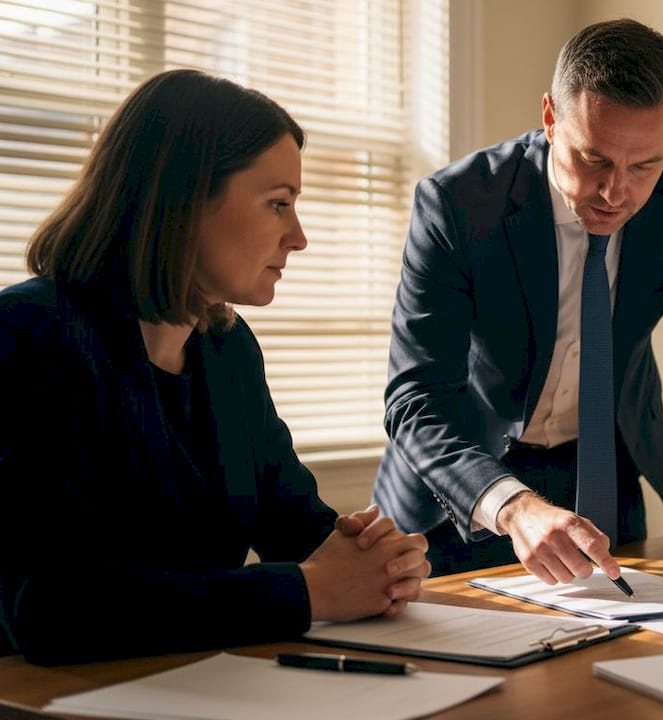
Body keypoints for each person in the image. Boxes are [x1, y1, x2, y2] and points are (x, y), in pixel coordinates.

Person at [0, 69, 429, 666]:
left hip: (195, 681)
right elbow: (51, 608)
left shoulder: (226, 348)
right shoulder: (29, 335)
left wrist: (377, 560)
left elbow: (295, 525)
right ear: (184, 200)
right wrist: (307, 592)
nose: (298, 237)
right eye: (278, 204)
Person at [374, 18, 663, 595]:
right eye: (594, 159)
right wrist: (513, 505)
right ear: (550, 117)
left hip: (602, 476)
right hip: (462, 491)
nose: (616, 192)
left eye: (645, 166)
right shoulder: (459, 204)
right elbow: (416, 398)